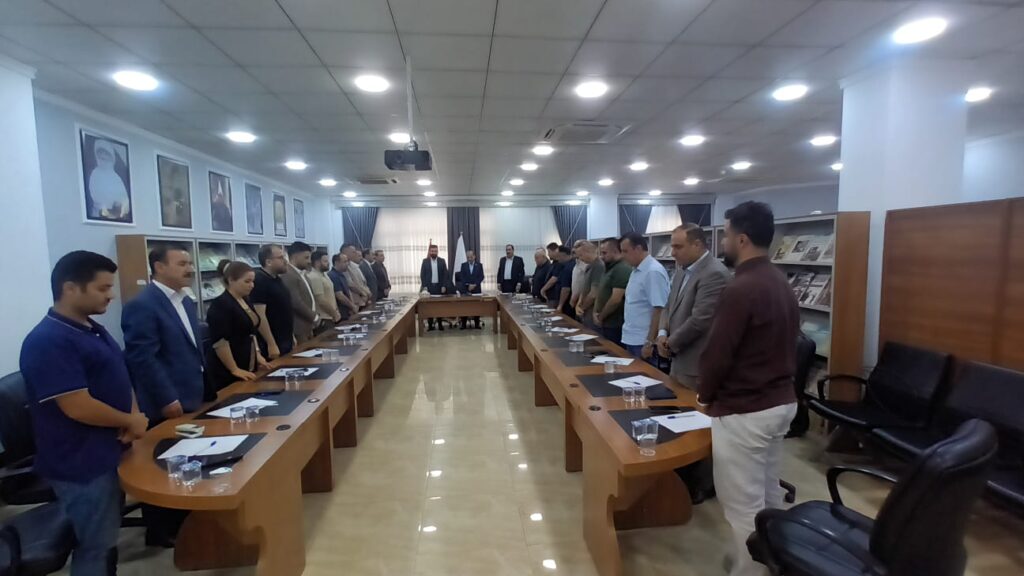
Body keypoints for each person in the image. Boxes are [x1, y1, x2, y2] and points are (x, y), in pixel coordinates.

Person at [20, 251, 148, 575]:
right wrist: (130, 420)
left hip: (110, 449)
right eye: (102, 288)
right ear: (70, 288)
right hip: (81, 462)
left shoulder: (91, 328)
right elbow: (77, 405)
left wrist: (133, 415)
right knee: (95, 546)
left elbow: (120, 374)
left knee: (106, 540)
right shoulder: (48, 340)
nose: (111, 295)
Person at [698, 201, 799, 576]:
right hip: (779, 403)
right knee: (768, 494)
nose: (722, 243)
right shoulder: (779, 280)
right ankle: (776, 564)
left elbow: (718, 353)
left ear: (741, 239)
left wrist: (705, 396)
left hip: (746, 409)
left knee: (742, 505)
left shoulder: (741, 287)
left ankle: (750, 571)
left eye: (725, 235)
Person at [121, 244, 206, 548]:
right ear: (159, 267)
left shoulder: (186, 300)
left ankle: (184, 517)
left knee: (186, 458)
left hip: (191, 391)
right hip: (166, 399)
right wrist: (166, 397)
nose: (190, 268)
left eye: (190, 263)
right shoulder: (143, 305)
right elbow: (142, 358)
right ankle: (160, 529)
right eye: (182, 263)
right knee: (161, 464)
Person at [656, 224, 731, 506]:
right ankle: (682, 474)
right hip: (678, 357)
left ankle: (703, 483)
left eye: (678, 246)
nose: (673, 252)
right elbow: (669, 307)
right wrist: (662, 333)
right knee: (681, 417)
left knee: (699, 425)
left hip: (697, 361)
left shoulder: (714, 273)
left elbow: (702, 319)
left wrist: (670, 343)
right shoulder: (681, 270)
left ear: (698, 245)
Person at [206, 260, 271, 392]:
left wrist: (257, 355)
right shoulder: (221, 304)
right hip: (228, 368)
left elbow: (251, 331)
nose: (252, 285)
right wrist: (234, 369)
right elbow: (220, 342)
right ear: (231, 280)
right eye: (247, 281)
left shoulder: (245, 299)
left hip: (248, 360)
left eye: (253, 281)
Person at [620, 232, 670, 365]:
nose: (622, 256)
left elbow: (660, 309)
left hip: (643, 341)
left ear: (638, 248)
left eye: (625, 251)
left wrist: (649, 342)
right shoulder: (637, 269)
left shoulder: (652, 271)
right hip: (632, 337)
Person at [251, 244, 294, 358]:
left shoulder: (277, 279)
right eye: (281, 258)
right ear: (268, 262)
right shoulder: (259, 280)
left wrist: (291, 336)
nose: (285, 261)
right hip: (272, 342)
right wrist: (271, 343)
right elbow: (260, 315)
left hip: (285, 339)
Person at [594, 237, 631, 346]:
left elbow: (615, 299)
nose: (601, 256)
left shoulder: (622, 269)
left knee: (613, 351)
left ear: (615, 251)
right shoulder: (609, 267)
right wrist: (595, 312)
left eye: (604, 253)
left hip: (615, 323)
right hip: (606, 322)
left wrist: (600, 317)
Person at [281, 241, 319, 344]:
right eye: (306, 258)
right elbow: (295, 302)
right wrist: (314, 317)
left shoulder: (302, 274)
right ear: (295, 257)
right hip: (298, 327)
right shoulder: (289, 274)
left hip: (308, 325)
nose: (309, 261)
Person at [307, 250, 341, 329]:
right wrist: (334, 313)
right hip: (324, 317)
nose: (328, 263)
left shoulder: (324, 274)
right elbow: (321, 300)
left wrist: (336, 311)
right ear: (317, 263)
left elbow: (331, 295)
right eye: (325, 261)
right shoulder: (314, 277)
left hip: (331, 316)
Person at [574, 241, 604, 327]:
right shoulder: (589, 266)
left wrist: (582, 307)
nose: (580, 259)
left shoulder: (599, 266)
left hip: (592, 309)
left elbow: (594, 293)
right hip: (586, 309)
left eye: (581, 255)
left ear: (588, 251)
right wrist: (579, 303)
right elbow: (584, 288)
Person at [420, 244, 449, 331]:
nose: (434, 253)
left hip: (439, 287)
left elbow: (445, 274)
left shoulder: (442, 261)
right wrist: (424, 287)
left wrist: (444, 285)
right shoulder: (425, 261)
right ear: (429, 252)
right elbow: (422, 275)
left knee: (439, 307)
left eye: (435, 251)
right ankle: (430, 325)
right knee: (430, 307)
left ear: (437, 252)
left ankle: (440, 324)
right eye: (432, 251)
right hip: (429, 288)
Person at [459, 249, 485, 329]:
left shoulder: (479, 265)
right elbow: (462, 277)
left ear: (474, 256)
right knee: (464, 307)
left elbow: (481, 276)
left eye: (471, 257)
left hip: (476, 289)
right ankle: (463, 324)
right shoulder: (463, 265)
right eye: (468, 257)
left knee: (476, 307)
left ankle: (477, 324)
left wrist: (474, 285)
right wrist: (468, 285)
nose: (469, 259)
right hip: (466, 289)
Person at [329, 253, 360, 319]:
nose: (347, 264)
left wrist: (352, 305)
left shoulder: (342, 274)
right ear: (337, 263)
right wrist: (352, 306)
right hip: (341, 312)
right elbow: (340, 296)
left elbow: (347, 292)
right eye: (345, 262)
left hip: (348, 311)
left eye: (347, 261)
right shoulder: (333, 275)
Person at [569, 240, 590, 320]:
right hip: (575, 298)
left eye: (577, 247)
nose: (574, 249)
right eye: (574, 247)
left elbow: (584, 284)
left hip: (582, 299)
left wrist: (575, 298)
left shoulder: (586, 264)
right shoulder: (577, 263)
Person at [553, 245, 576, 316]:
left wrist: (560, 305)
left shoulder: (568, 268)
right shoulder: (566, 265)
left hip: (567, 303)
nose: (557, 259)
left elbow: (566, 289)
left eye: (558, 256)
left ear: (563, 255)